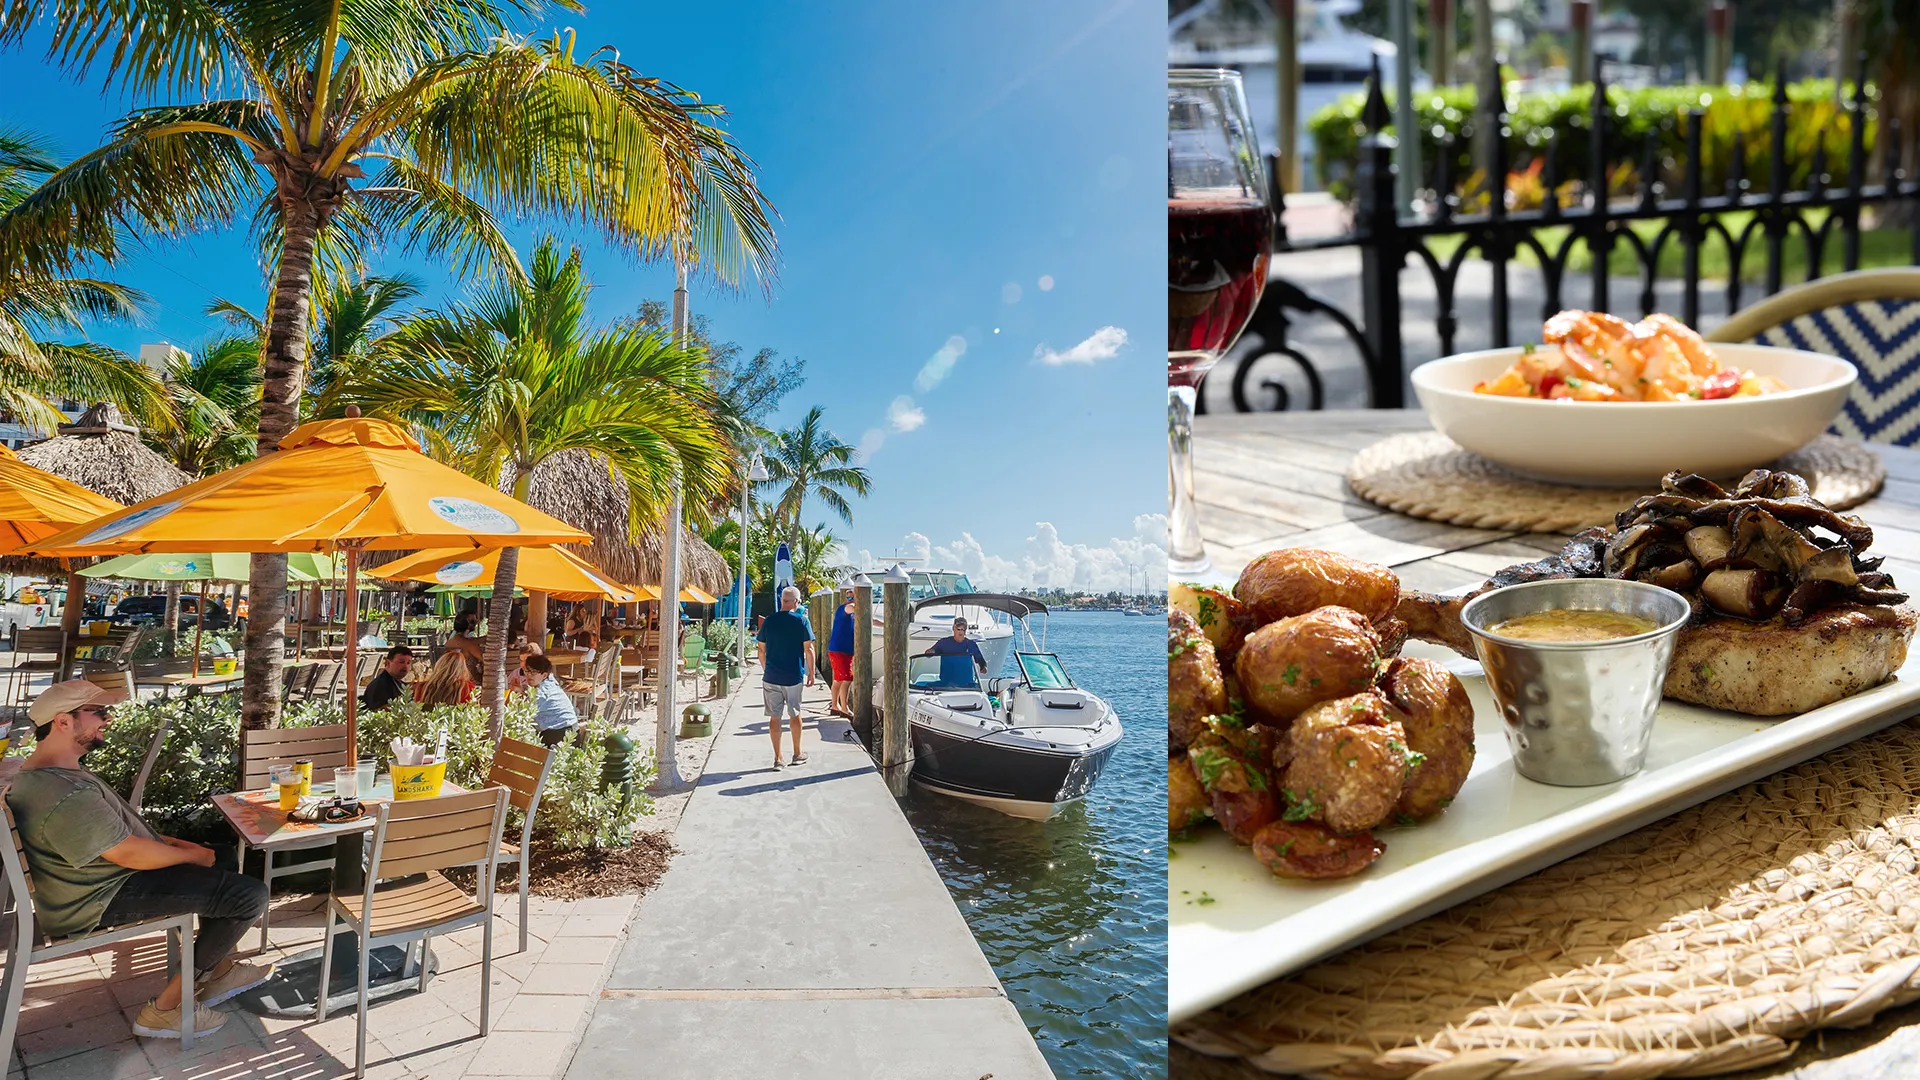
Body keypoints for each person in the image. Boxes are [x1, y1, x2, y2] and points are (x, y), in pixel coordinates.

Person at [5, 681, 272, 1039]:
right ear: (62, 722)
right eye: (97, 712)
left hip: (95, 882)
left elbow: (125, 839)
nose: (108, 719)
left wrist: (188, 850)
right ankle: (165, 1010)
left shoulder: (50, 773)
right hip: (97, 899)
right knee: (248, 897)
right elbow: (128, 852)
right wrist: (191, 854)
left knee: (222, 856)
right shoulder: (62, 791)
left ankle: (218, 971)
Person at [756, 586, 815, 769]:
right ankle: (797, 754)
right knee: (795, 714)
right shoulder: (802, 621)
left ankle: (778, 759)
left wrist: (766, 668)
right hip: (793, 676)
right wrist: (811, 672)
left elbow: (761, 650)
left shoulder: (769, 621)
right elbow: (808, 649)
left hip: (772, 676)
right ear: (797, 602)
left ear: (782, 600)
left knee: (775, 717)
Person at [522, 654, 579, 747]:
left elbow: (523, 714)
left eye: (533, 672)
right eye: (527, 671)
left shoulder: (542, 691)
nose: (529, 675)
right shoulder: (551, 682)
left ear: (544, 675)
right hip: (572, 731)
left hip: (561, 737)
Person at [923, 618, 988, 687]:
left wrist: (983, 667)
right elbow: (931, 652)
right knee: (927, 687)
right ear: (953, 628)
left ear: (965, 631)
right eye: (958, 629)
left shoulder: (971, 644)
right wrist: (930, 652)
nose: (960, 631)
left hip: (966, 685)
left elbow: (981, 661)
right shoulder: (944, 643)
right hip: (946, 684)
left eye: (963, 629)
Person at [827, 587, 857, 718]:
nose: (850, 600)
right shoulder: (844, 609)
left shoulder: (854, 615)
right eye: (849, 597)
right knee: (846, 678)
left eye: (853, 597)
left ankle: (835, 706)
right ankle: (844, 708)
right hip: (839, 650)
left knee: (838, 679)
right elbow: (851, 608)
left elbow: (870, 621)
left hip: (844, 650)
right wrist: (859, 604)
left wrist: (885, 625)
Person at [361, 645, 415, 711]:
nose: (405, 666)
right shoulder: (380, 686)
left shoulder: (398, 683)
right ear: (387, 663)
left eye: (408, 663)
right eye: (401, 662)